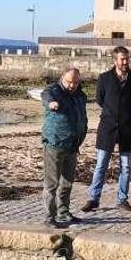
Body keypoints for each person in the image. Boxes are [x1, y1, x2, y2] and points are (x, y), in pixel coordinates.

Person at [80, 46, 131, 213]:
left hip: (128, 127)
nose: (125, 61)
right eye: (122, 59)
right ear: (114, 60)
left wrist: (127, 113)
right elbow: (100, 99)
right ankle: (94, 199)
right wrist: (113, 113)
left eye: (127, 58)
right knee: (101, 165)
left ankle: (122, 200)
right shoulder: (104, 78)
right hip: (108, 127)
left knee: (125, 166)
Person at [41, 67, 88, 227]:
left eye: (75, 82)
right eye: (69, 82)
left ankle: (64, 212)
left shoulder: (80, 95)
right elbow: (46, 96)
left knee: (67, 182)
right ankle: (49, 216)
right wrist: (51, 103)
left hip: (73, 144)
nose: (72, 85)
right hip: (55, 143)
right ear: (62, 78)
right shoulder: (54, 91)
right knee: (52, 183)